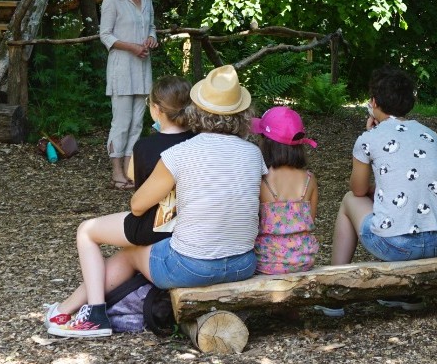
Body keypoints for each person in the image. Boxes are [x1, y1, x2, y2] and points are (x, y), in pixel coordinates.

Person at [48, 65, 265, 337]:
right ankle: (71, 309)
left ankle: (93, 314)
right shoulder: (253, 153)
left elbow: (137, 205)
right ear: (242, 113)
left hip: (190, 266)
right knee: (141, 249)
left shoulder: (181, 152)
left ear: (197, 108)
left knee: (130, 252)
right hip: (242, 264)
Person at [43, 76, 194, 332]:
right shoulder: (198, 141)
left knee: (87, 231)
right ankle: (65, 309)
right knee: (124, 256)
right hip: (186, 223)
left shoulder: (145, 145)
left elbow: (134, 177)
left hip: (152, 224)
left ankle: (95, 311)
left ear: (156, 109)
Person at [331, 66, 437, 266]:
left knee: (349, 199)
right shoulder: (430, 134)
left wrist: (369, 135)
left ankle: (336, 274)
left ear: (374, 103)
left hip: (397, 245)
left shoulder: (368, 139)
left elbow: (358, 190)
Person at [99, 0, 159, 189]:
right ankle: (116, 173)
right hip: (122, 71)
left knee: (136, 123)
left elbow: (152, 27)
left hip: (142, 69)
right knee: (121, 122)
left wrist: (151, 39)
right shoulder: (112, 0)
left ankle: (128, 170)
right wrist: (131, 47)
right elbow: (105, 35)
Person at [250, 107, 320, 275]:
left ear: (266, 143)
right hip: (303, 260)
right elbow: (310, 220)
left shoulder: (260, 179)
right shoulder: (310, 179)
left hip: (266, 262)